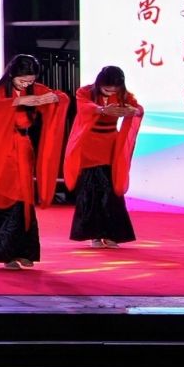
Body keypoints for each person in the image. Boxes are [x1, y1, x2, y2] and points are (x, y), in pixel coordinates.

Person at [0, 54, 69, 269]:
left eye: (30, 80)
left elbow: (61, 97)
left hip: (22, 147)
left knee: (23, 195)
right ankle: (4, 253)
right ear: (12, 74)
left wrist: (52, 98)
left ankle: (23, 251)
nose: (26, 84)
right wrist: (18, 101)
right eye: (22, 80)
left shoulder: (35, 89)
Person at [64, 65, 142, 248]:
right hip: (90, 143)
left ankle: (112, 234)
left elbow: (138, 108)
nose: (111, 92)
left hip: (110, 144)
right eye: (107, 89)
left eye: (114, 90)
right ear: (99, 83)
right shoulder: (85, 92)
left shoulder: (124, 95)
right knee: (91, 188)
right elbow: (85, 107)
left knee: (111, 189)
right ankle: (95, 235)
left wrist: (133, 111)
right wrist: (101, 110)